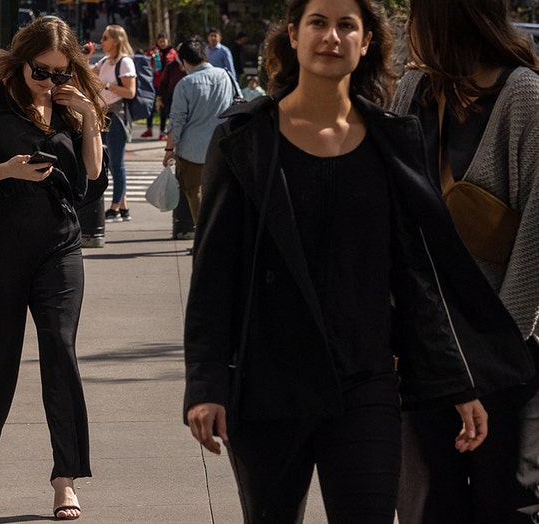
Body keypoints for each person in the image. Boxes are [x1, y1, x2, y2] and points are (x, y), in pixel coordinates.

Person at [183, 0, 535, 522]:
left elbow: (415, 275)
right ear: (294, 36)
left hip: (366, 383)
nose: (331, 37)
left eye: (346, 25)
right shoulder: (243, 139)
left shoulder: (393, 140)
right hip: (268, 384)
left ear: (366, 40)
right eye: (318, 23)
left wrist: (461, 379)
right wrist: (206, 383)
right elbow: (214, 272)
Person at [0, 16, 104, 520]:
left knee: (60, 348)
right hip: (0, 247)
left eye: (60, 73)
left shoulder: (67, 107)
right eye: (42, 71)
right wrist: (9, 169)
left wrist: (90, 117)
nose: (51, 82)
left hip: (59, 245)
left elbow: (93, 177)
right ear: (22, 59)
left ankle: (65, 477)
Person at [391, 0, 539, 521]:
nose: (408, 27)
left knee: (506, 502)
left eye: (416, 14)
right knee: (428, 503)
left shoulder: (523, 94)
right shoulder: (414, 89)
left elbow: (535, 239)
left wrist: (495, 347)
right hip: (425, 345)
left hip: (504, 351)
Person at [162, 36, 234, 224]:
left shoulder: (185, 84)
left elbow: (176, 121)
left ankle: (204, 238)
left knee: (196, 195)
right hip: (221, 147)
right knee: (220, 194)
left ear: (184, 61)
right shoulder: (225, 76)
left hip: (191, 151)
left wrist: (169, 150)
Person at [92, 24, 136, 222]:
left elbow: (130, 92)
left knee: (117, 164)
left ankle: (115, 207)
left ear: (115, 41)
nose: (101, 41)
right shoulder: (104, 60)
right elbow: (88, 76)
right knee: (109, 162)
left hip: (116, 116)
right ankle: (124, 208)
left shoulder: (125, 63)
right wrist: (85, 56)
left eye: (105, 38)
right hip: (103, 114)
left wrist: (107, 85)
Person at [141, 32, 178, 140]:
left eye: (164, 41)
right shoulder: (152, 51)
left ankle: (162, 131)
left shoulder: (172, 52)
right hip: (153, 83)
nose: (162, 43)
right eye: (160, 41)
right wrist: (152, 58)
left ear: (167, 41)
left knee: (163, 108)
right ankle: (149, 128)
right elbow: (145, 64)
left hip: (166, 85)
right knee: (150, 106)